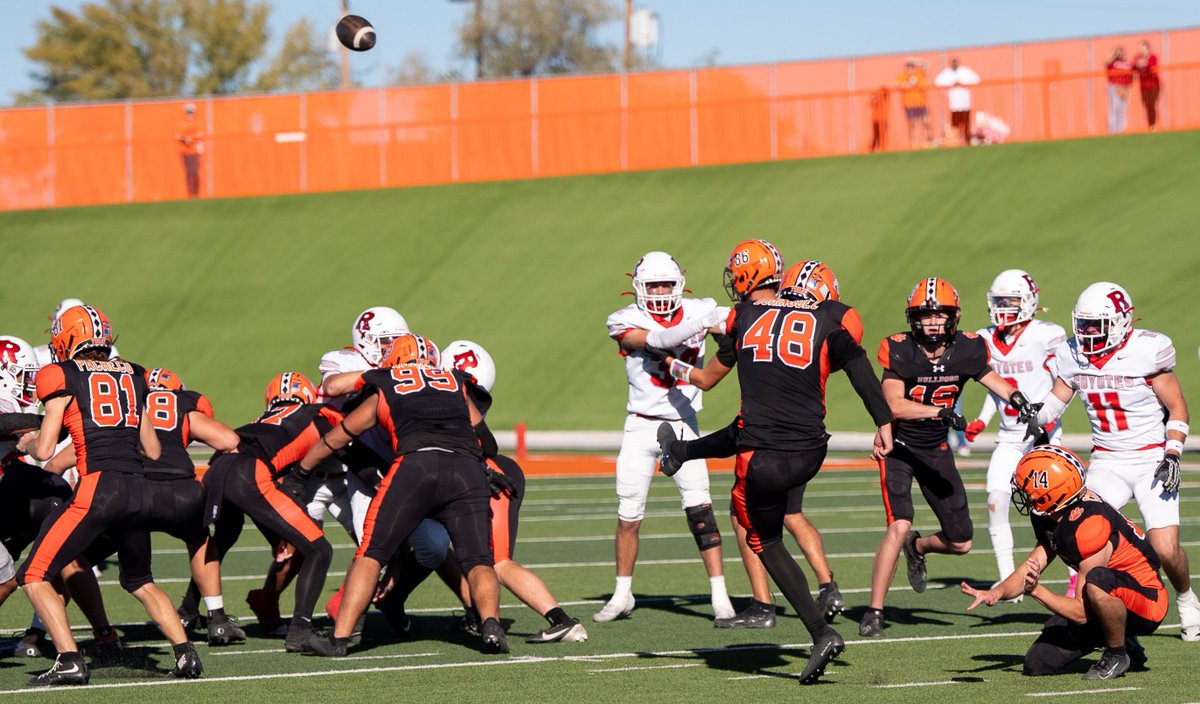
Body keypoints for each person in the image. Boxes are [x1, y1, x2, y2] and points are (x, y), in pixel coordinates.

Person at [661, 239, 894, 684]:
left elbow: (695, 332)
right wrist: (883, 421)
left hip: (764, 457)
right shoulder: (828, 318)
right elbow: (860, 363)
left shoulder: (742, 316)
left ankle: (819, 630)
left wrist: (660, 346)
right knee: (747, 428)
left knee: (761, 537)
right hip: (811, 450)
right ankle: (682, 452)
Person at [658, 260, 853, 628]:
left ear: (747, 277)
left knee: (746, 518)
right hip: (806, 435)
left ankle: (764, 605)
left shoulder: (747, 318)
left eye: (735, 274)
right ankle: (828, 584)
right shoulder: (805, 314)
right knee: (792, 513)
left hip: (763, 438)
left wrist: (671, 364)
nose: (732, 281)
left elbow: (705, 378)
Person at [14, 305, 202, 685]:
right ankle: (186, 655)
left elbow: (47, 447)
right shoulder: (134, 374)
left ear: (66, 337)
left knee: (34, 574)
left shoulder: (60, 374)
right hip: (140, 489)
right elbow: (151, 449)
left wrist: (26, 442)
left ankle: (68, 659)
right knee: (139, 580)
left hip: (100, 488)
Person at [287, 333, 507, 657]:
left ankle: (340, 639)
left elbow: (339, 436)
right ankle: (490, 624)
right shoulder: (454, 381)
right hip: (465, 470)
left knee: (371, 551)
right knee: (477, 559)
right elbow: (487, 442)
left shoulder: (385, 381)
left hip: (415, 465)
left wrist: (301, 471)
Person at [376, 340, 588, 644]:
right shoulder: (464, 385)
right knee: (437, 544)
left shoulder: (439, 387)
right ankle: (472, 612)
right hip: (482, 469)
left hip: (482, 472)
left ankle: (559, 619)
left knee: (495, 561)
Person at [860, 277, 1037, 638]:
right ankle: (875, 610)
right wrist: (938, 413)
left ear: (953, 317)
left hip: (937, 451)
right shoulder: (899, 349)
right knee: (899, 524)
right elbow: (892, 403)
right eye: (925, 315)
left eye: (939, 315)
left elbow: (991, 377)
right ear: (913, 319)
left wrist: (1017, 398)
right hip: (899, 448)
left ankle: (919, 547)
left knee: (961, 542)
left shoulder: (968, 349)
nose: (932, 322)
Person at [1031, 281, 1199, 641]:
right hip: (1106, 460)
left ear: (1122, 322)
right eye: (1084, 324)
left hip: (1152, 458)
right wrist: (1037, 415)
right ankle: (1088, 605)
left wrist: (1173, 453)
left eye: (1097, 325)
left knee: (1165, 549)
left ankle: (1186, 598)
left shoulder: (1147, 352)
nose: (1088, 333)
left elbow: (1177, 406)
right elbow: (1056, 401)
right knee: (1076, 530)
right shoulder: (1072, 354)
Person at [597, 251, 736, 623]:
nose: (660, 291)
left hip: (684, 423)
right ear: (638, 288)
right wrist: (706, 321)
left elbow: (742, 328)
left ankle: (719, 594)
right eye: (653, 284)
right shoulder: (624, 319)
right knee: (629, 514)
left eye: (666, 284)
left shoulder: (700, 308)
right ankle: (623, 593)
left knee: (701, 512)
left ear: (679, 284)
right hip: (640, 424)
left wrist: (722, 326)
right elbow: (657, 339)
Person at [962, 446, 1165, 680]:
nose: (1023, 493)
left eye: (1028, 488)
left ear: (1049, 494)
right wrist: (996, 593)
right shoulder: (1055, 512)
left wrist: (1036, 591)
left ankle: (1117, 652)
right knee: (1038, 662)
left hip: (1147, 601)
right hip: (1109, 598)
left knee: (1098, 581)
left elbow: (1080, 611)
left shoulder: (1090, 523)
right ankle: (1122, 637)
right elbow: (1033, 564)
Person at [201, 371, 342, 653]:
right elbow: (346, 442)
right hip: (249, 474)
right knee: (318, 549)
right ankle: (300, 630)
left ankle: (190, 610)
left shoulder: (256, 420)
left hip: (216, 470)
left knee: (223, 537)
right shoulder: (317, 412)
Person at [965, 270, 1067, 588]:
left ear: (1029, 302)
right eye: (998, 301)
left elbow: (1065, 383)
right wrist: (983, 419)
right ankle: (1007, 576)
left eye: (1010, 301)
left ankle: (1076, 573)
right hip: (1009, 435)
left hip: (1044, 434)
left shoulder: (1045, 334)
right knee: (996, 500)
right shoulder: (983, 338)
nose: (1002, 307)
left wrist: (1047, 416)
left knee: (1057, 510)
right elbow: (993, 386)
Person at [934, 57, 980, 145]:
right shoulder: (946, 72)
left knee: (966, 122)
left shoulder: (965, 71)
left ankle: (967, 139)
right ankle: (956, 140)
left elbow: (976, 79)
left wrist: (962, 83)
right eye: (953, 63)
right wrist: (952, 84)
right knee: (955, 123)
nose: (954, 64)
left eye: (955, 62)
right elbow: (937, 82)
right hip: (954, 104)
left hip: (965, 102)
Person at [896, 58, 932, 147]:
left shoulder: (919, 73)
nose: (911, 68)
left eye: (912, 66)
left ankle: (929, 141)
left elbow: (927, 66)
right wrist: (907, 85)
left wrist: (917, 61)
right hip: (909, 104)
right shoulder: (903, 75)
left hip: (921, 103)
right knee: (913, 124)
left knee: (927, 121)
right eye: (909, 66)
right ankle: (914, 144)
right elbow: (896, 84)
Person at [1105, 46, 1133, 134]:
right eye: (1118, 51)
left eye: (1121, 51)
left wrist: (1126, 88)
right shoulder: (1113, 62)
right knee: (1114, 108)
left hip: (1124, 87)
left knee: (1122, 109)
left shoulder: (1128, 63)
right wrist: (1114, 54)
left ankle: (1121, 130)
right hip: (1114, 86)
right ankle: (1112, 130)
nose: (1120, 53)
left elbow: (1131, 76)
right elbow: (1106, 61)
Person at [1134, 41, 1161, 131]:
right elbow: (1133, 65)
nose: (1141, 50)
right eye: (1140, 48)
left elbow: (1151, 65)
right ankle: (1150, 124)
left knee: (1152, 104)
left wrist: (1143, 63)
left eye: (1143, 48)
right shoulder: (1137, 57)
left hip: (1153, 85)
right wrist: (1138, 64)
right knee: (1146, 105)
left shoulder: (1153, 56)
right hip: (1143, 86)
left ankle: (1153, 125)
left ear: (1148, 49)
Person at [177, 104, 202, 198]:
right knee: (189, 173)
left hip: (195, 151)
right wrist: (184, 138)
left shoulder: (197, 122)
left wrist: (191, 138)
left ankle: (196, 193)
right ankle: (190, 194)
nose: (190, 114)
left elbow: (201, 133)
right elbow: (176, 135)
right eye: (188, 112)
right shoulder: (182, 123)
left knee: (195, 172)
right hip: (185, 152)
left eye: (191, 112)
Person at [868, 86, 890, 152]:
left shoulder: (885, 98)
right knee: (876, 136)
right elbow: (870, 102)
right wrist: (874, 97)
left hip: (883, 119)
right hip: (876, 120)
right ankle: (873, 149)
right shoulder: (875, 98)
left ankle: (882, 148)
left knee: (883, 135)